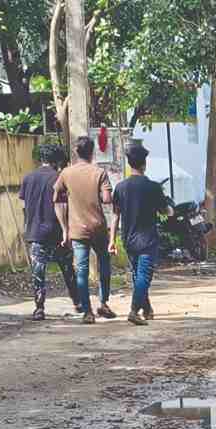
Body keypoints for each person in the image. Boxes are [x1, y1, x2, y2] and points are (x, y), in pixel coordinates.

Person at [54, 135, 117, 325]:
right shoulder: (99, 172)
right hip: (98, 227)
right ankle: (104, 303)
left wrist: (64, 227)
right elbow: (107, 199)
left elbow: (56, 196)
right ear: (93, 152)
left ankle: (87, 312)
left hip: (77, 230)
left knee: (81, 270)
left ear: (75, 152)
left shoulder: (66, 173)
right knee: (104, 265)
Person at [110, 142, 171, 326]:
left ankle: (147, 308)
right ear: (144, 164)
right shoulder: (152, 187)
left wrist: (111, 240)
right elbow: (165, 211)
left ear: (129, 163)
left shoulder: (120, 187)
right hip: (147, 240)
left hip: (128, 239)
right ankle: (134, 311)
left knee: (138, 275)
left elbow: (115, 215)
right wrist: (170, 209)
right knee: (144, 276)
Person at [17, 143, 79, 322]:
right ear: (57, 161)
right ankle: (78, 303)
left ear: (41, 159)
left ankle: (39, 308)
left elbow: (23, 205)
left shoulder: (28, 178)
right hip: (58, 232)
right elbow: (66, 205)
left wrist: (27, 227)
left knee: (38, 272)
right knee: (68, 270)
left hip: (36, 232)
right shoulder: (60, 178)